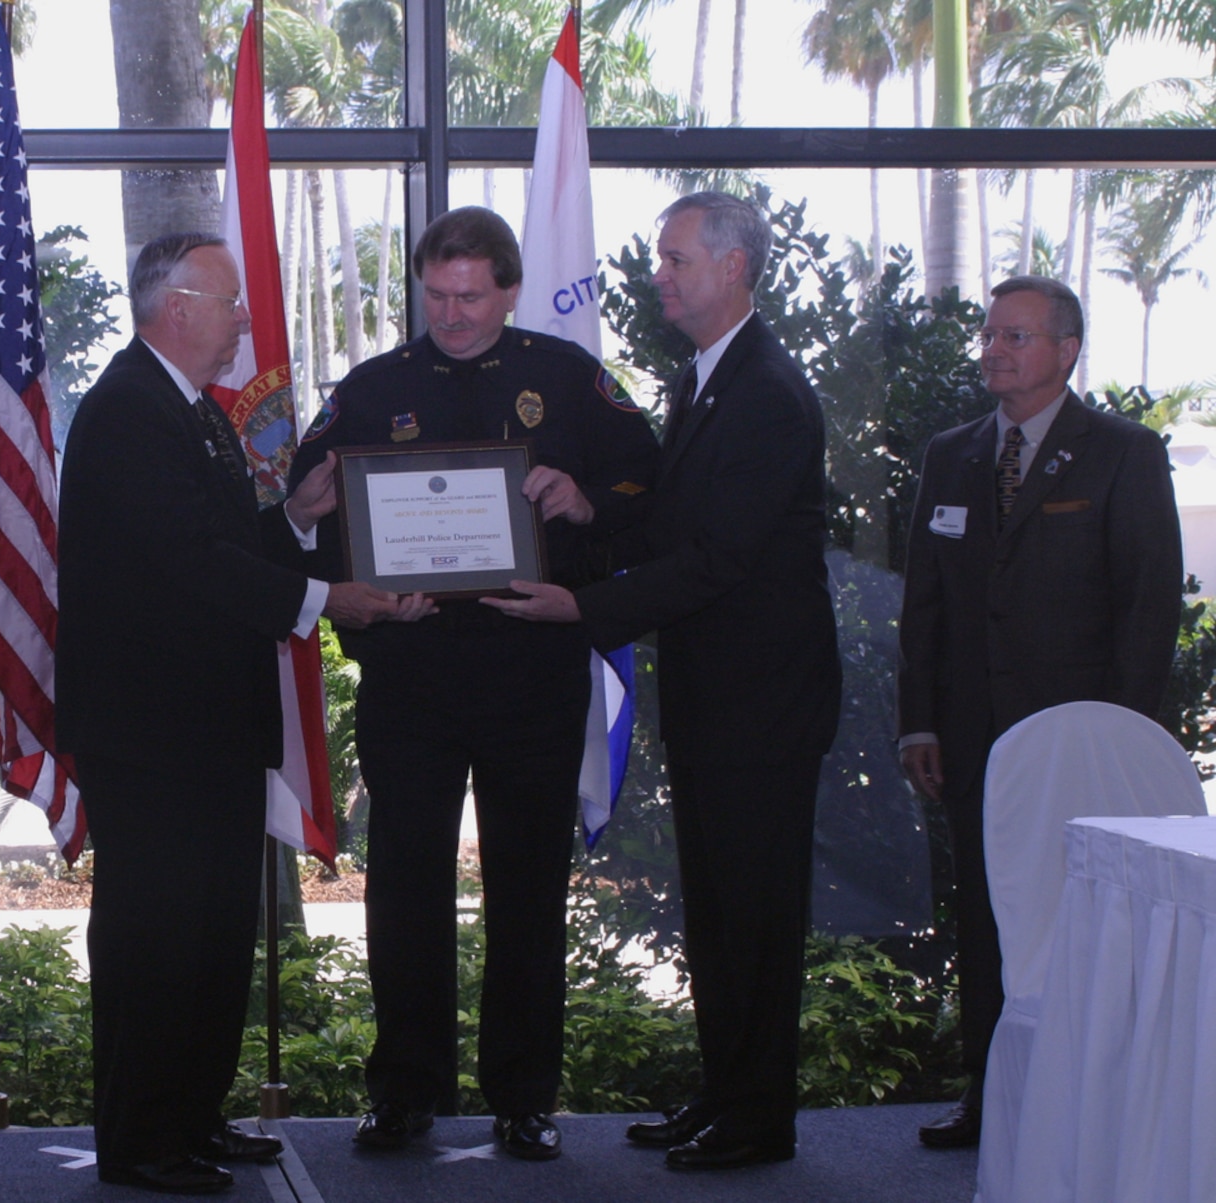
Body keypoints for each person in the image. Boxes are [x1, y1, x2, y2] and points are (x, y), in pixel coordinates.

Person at [288, 206, 658, 1162]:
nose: (449, 313)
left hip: (531, 669)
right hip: (411, 675)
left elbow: (648, 490)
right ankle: (405, 1092)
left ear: (509, 289)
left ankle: (525, 1096)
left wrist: (584, 502)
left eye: (469, 295)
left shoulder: (568, 379)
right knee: (404, 887)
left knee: (528, 888)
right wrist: (356, 597)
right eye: (436, 294)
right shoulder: (374, 388)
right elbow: (311, 511)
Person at [487, 191, 841, 1171]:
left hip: (762, 698)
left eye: (674, 260)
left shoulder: (766, 392)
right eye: (658, 259)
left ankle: (757, 1117)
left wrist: (581, 609)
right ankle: (725, 1092)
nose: (657, 276)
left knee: (757, 910)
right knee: (721, 903)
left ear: (731, 268)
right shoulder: (707, 380)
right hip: (717, 692)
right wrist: (583, 508)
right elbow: (670, 528)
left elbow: (717, 559)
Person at [57, 232, 409, 1195]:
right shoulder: (128, 409)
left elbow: (222, 544)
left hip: (205, 726)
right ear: (177, 306)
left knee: (213, 935)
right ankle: (140, 1140)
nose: (245, 319)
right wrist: (324, 599)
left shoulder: (193, 414)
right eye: (230, 302)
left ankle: (193, 1117)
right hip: (152, 733)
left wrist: (294, 519)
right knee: (156, 938)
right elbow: (186, 564)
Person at [896, 274, 1182, 1149]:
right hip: (979, 741)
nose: (994, 349)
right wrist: (920, 720)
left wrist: (1121, 734)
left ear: (1066, 351)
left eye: (1016, 337)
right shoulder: (953, 452)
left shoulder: (1123, 451)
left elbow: (1148, 601)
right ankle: (993, 1101)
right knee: (988, 918)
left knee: (1087, 922)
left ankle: (1092, 1105)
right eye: (990, 334)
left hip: (1085, 745)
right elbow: (927, 606)